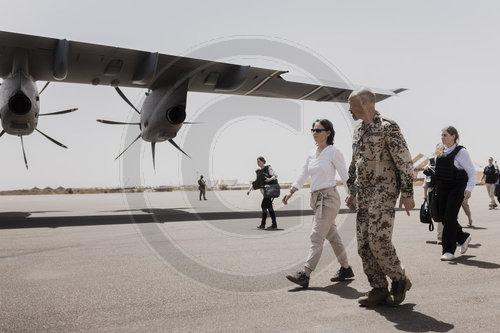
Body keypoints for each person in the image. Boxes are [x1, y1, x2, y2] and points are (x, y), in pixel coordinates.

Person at [345, 88, 414, 307]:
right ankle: (378, 288)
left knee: (378, 239)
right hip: (364, 193)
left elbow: (404, 161)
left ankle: (399, 280)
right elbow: (354, 164)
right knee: (364, 244)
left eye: (352, 104)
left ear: (365, 103)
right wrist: (352, 191)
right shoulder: (358, 131)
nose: (349, 109)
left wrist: (408, 193)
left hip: (384, 191)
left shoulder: (387, 128)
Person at [283, 119, 354, 289]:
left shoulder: (334, 152)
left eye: (318, 130)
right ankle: (346, 269)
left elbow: (345, 175)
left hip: (329, 198)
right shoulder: (311, 152)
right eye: (313, 130)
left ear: (328, 132)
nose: (314, 133)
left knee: (316, 236)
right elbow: (303, 173)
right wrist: (291, 191)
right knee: (332, 236)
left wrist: (352, 193)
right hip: (315, 199)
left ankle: (305, 274)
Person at [433, 126, 476, 261]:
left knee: (450, 218)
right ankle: (463, 237)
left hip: (457, 189)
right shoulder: (440, 149)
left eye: (445, 135)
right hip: (442, 188)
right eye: (442, 135)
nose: (442, 137)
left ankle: (448, 251)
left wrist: (469, 189)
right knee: (444, 218)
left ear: (453, 136)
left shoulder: (461, 152)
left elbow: (472, 172)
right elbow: (442, 168)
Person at [247, 156, 278, 229]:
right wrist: (249, 190)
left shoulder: (268, 168)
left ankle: (263, 224)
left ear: (263, 161)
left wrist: (269, 179)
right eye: (257, 161)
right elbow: (255, 183)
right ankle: (273, 224)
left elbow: (275, 176)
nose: (257, 163)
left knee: (263, 205)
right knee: (270, 208)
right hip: (265, 193)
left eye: (259, 161)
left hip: (269, 191)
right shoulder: (259, 172)